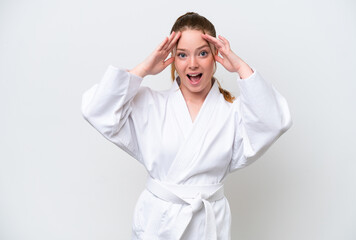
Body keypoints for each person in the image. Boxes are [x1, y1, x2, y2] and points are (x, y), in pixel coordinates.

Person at [81, 12, 291, 240]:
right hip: (157, 225)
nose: (192, 64)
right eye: (182, 55)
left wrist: (241, 67)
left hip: (209, 225)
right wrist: (143, 69)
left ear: (216, 56)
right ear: (171, 58)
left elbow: (275, 121)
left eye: (202, 53)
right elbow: (96, 109)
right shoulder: (150, 105)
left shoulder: (233, 112)